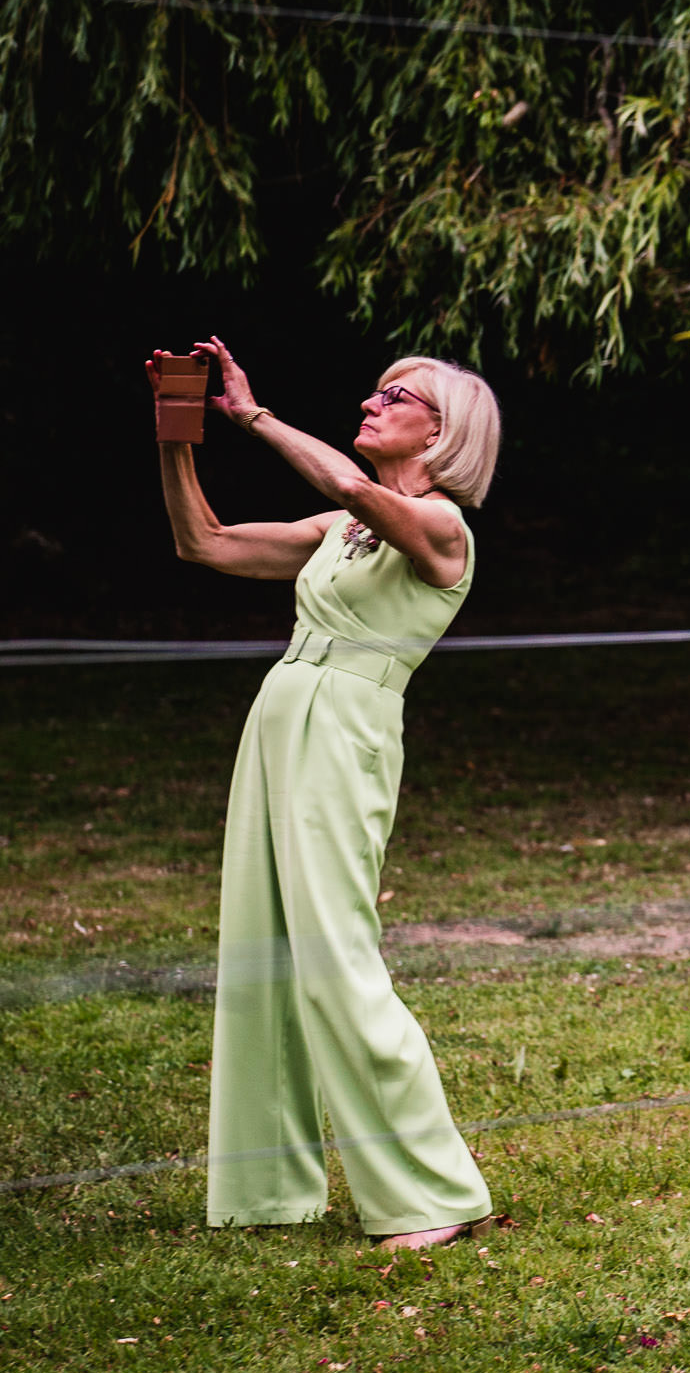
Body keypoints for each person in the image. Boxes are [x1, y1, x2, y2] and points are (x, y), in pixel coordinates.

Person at [149, 336, 501, 1251]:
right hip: (280, 714)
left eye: (398, 394)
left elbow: (353, 489)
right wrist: (177, 430)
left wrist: (253, 414)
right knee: (263, 945)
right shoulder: (339, 532)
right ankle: (268, 1188)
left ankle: (434, 1192)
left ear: (445, 431)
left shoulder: (445, 527)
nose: (373, 399)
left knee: (336, 952)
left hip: (346, 729)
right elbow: (206, 543)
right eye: (377, 386)